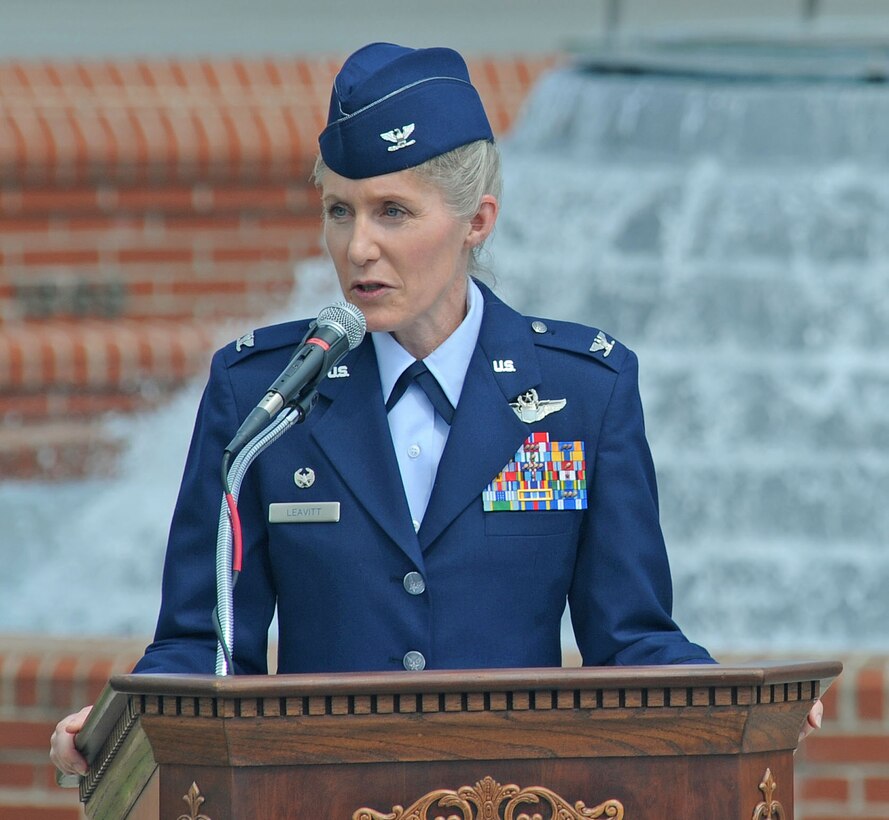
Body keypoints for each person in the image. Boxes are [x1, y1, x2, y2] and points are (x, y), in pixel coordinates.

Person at [50, 41, 821, 777]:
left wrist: (743, 703)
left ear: (475, 222)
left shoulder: (584, 394)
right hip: (315, 796)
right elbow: (206, 643)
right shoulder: (264, 393)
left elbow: (630, 638)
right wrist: (114, 730)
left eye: (392, 212)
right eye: (339, 211)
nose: (356, 248)